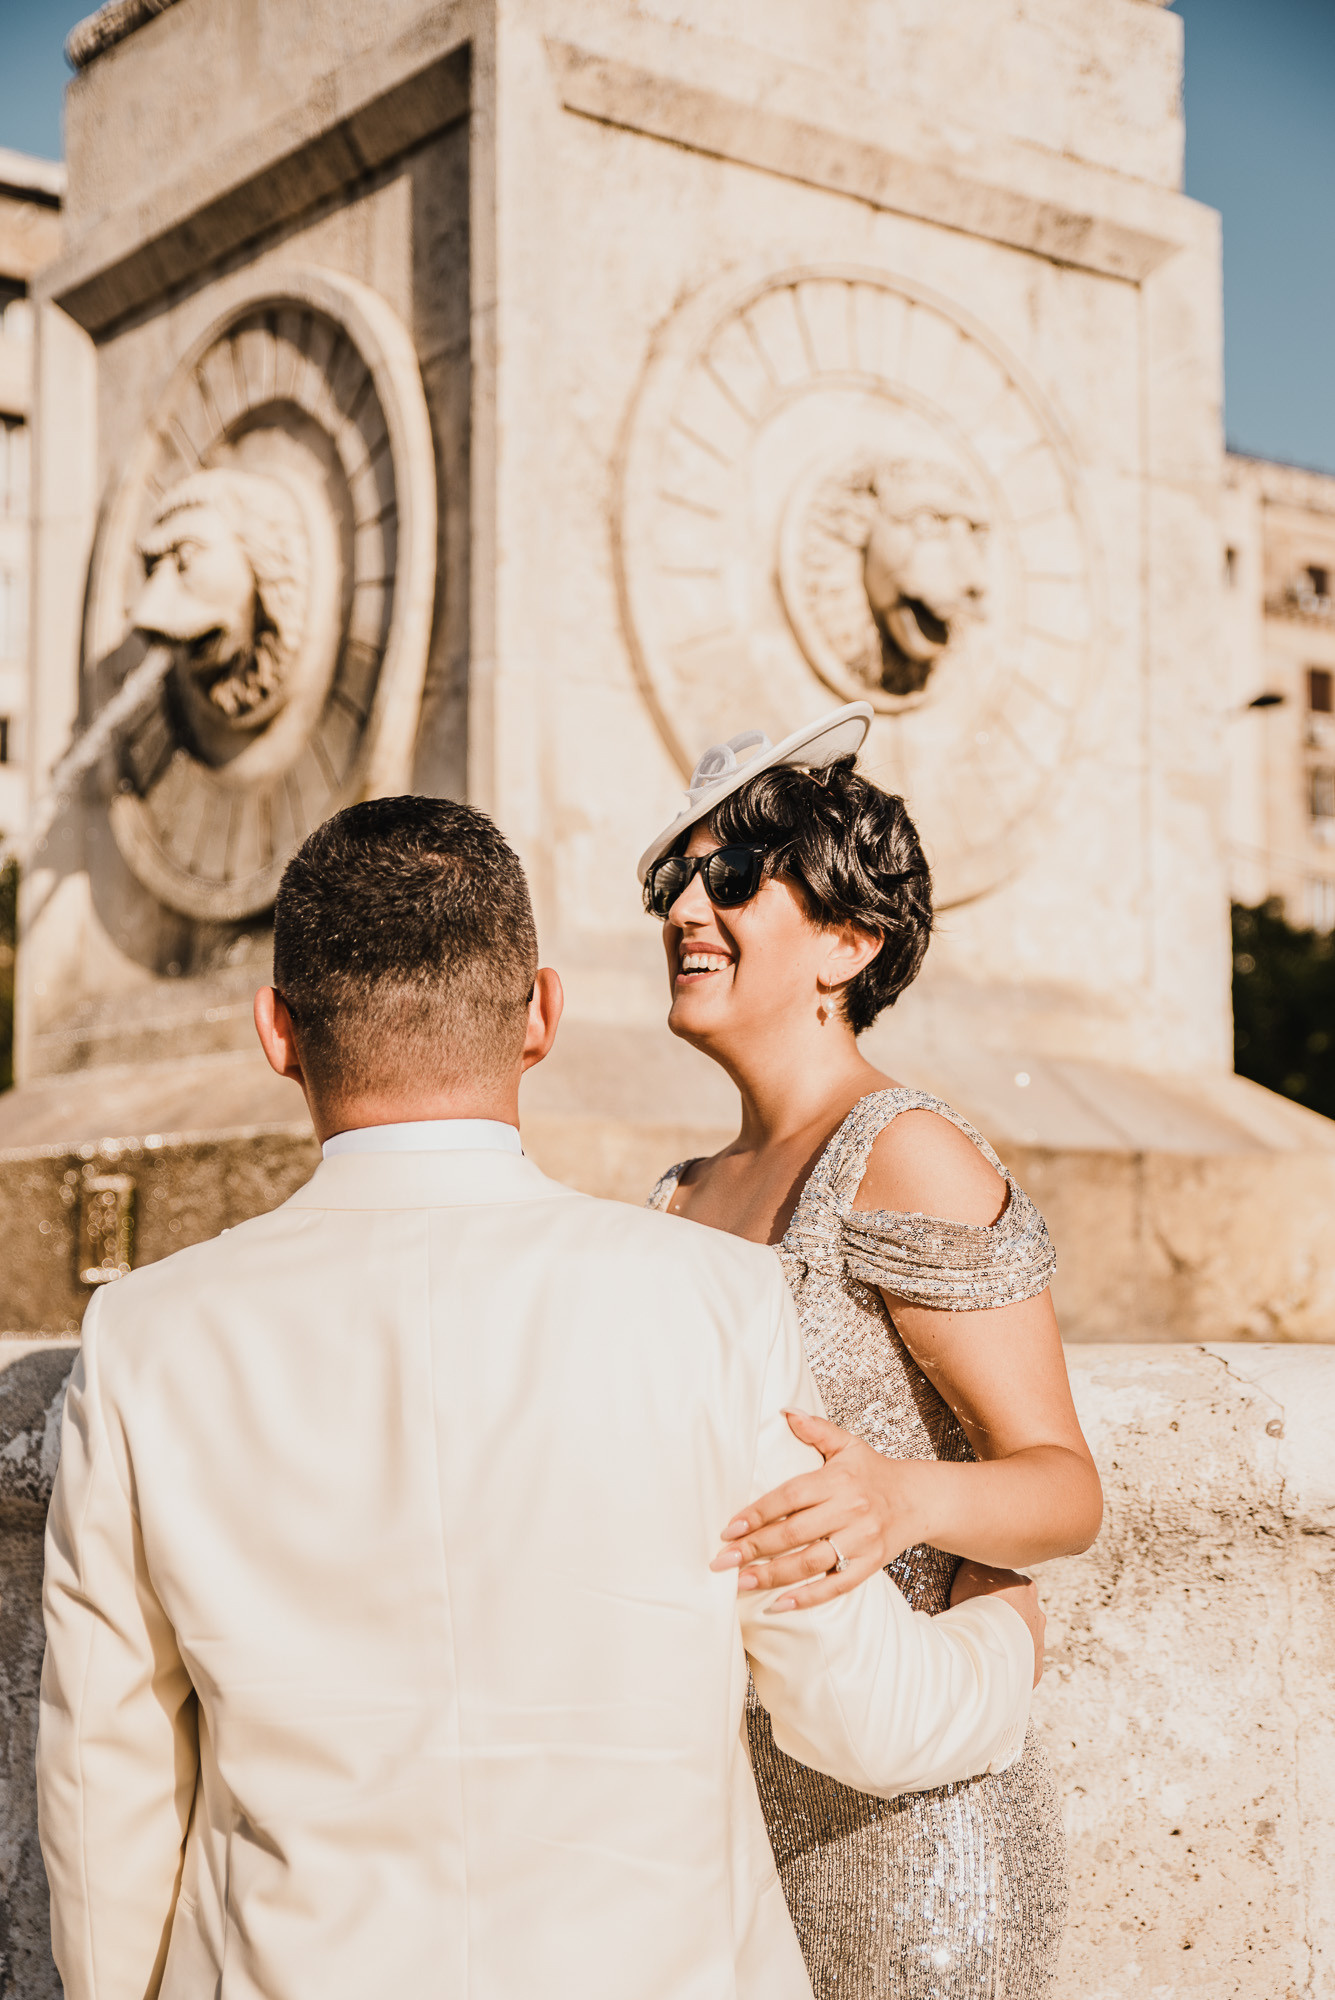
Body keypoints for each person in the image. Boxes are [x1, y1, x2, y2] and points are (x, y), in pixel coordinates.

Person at [37, 795, 1044, 2000]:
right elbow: (861, 1714)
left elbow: (107, 1787)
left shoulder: (146, 1333)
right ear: (543, 1017)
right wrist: (1002, 1626)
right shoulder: (710, 1298)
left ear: (276, 1031)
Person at [640, 703, 1103, 1999]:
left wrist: (903, 1495)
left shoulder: (904, 1152)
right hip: (725, 1837)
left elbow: (1063, 1488)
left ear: (846, 941)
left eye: (731, 878)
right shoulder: (675, 1194)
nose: (684, 908)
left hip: (915, 1835)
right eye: (674, 879)